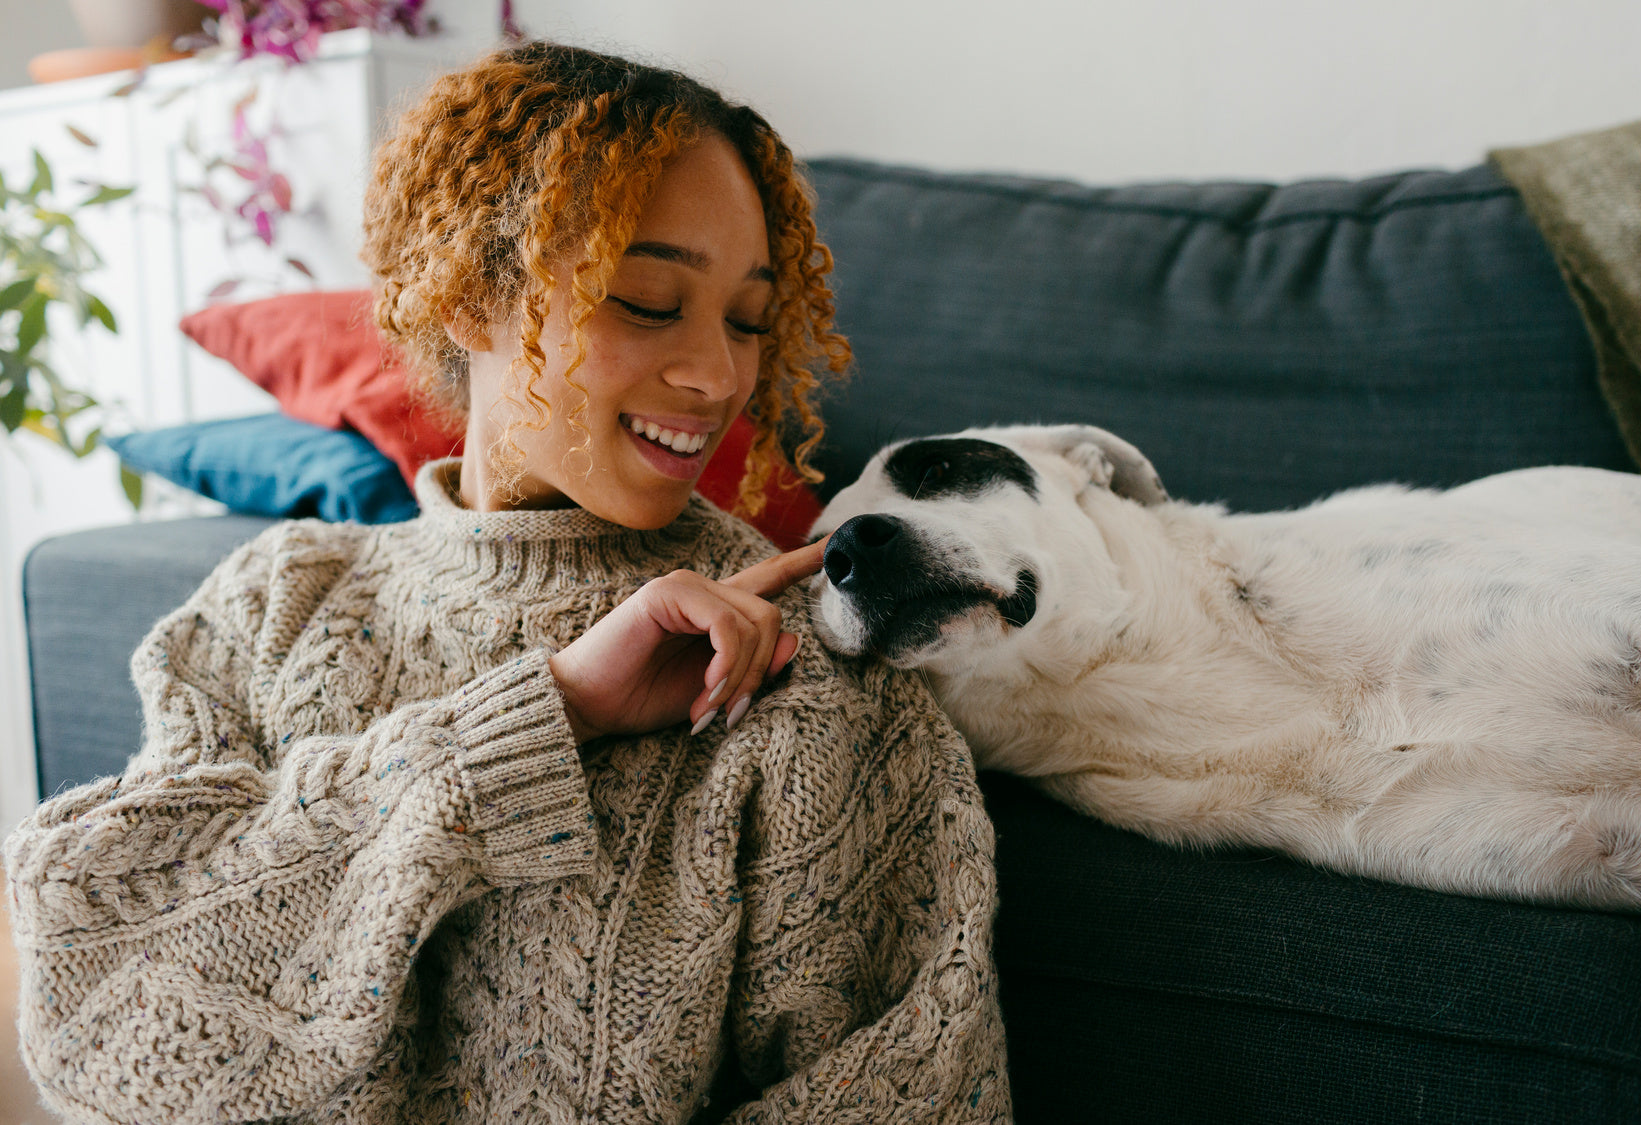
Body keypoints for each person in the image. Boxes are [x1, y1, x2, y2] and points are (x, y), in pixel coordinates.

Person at [3, 42, 1011, 1124]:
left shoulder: (802, 667)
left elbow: (915, 1094)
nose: (717, 375)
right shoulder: (272, 602)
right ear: (471, 297)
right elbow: (89, 1005)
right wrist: (538, 723)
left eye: (747, 321)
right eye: (647, 300)